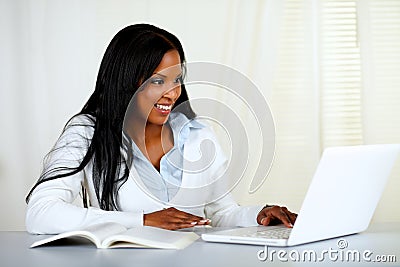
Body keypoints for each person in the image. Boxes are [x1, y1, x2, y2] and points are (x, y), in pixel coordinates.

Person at [25, 24, 297, 234]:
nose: (172, 93)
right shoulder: (87, 133)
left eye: (176, 79)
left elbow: (219, 212)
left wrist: (258, 215)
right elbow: (41, 212)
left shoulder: (197, 134)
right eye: (158, 81)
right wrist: (142, 221)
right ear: (126, 80)